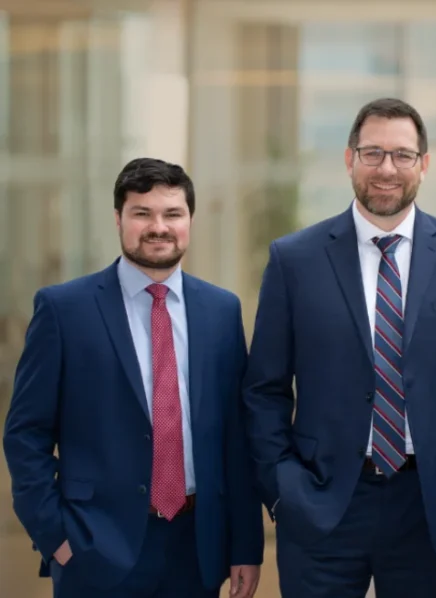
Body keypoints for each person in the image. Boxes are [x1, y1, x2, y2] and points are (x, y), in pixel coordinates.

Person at [243, 97, 436, 598]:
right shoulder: (295, 259)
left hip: (429, 506)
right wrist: (284, 492)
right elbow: (264, 390)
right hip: (321, 502)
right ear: (349, 160)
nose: (386, 168)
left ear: (424, 165)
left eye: (402, 155)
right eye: (372, 153)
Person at [3, 158, 263, 598]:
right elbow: (25, 435)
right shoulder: (65, 310)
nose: (157, 226)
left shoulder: (222, 311)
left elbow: (236, 439)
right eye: (142, 213)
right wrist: (57, 540)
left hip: (196, 549)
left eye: (172, 214)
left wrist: (245, 546)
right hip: (93, 547)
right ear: (118, 218)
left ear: (190, 221)